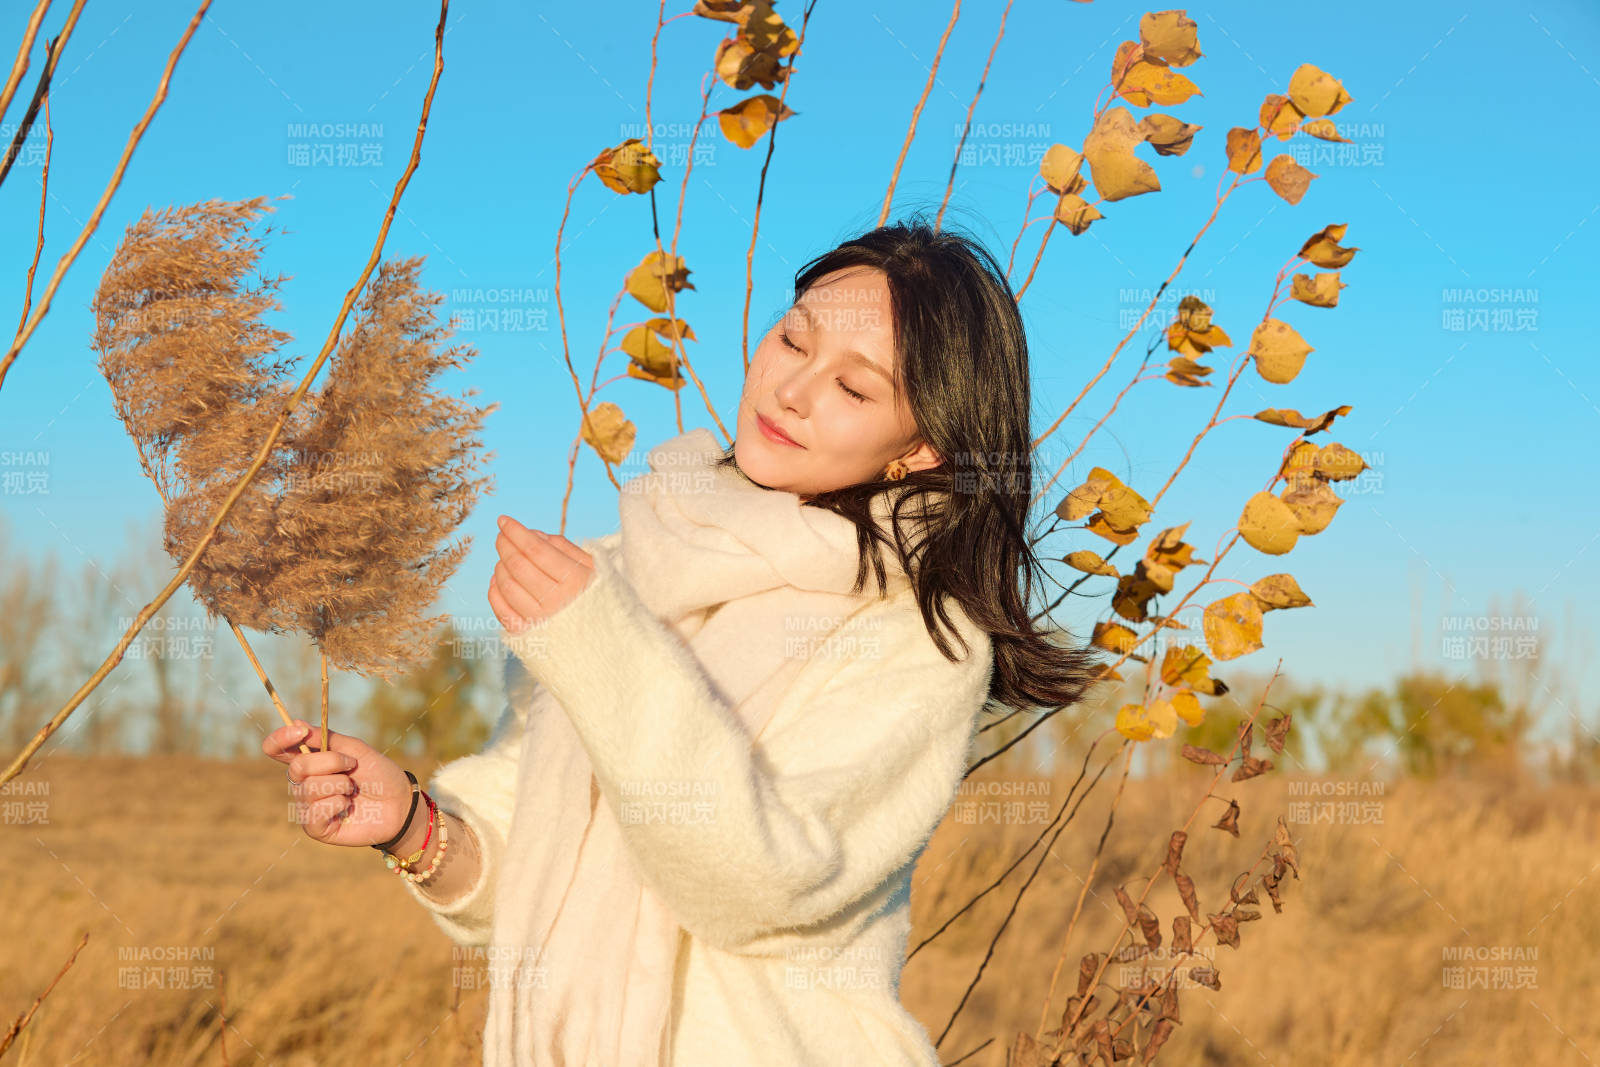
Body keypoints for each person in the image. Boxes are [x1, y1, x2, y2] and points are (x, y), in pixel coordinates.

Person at [262, 214, 1103, 1065]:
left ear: (920, 447)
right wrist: (409, 823)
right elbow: (535, 864)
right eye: (792, 341)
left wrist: (605, 649)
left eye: (853, 389)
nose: (790, 390)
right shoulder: (644, 558)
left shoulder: (916, 635)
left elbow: (758, 882)